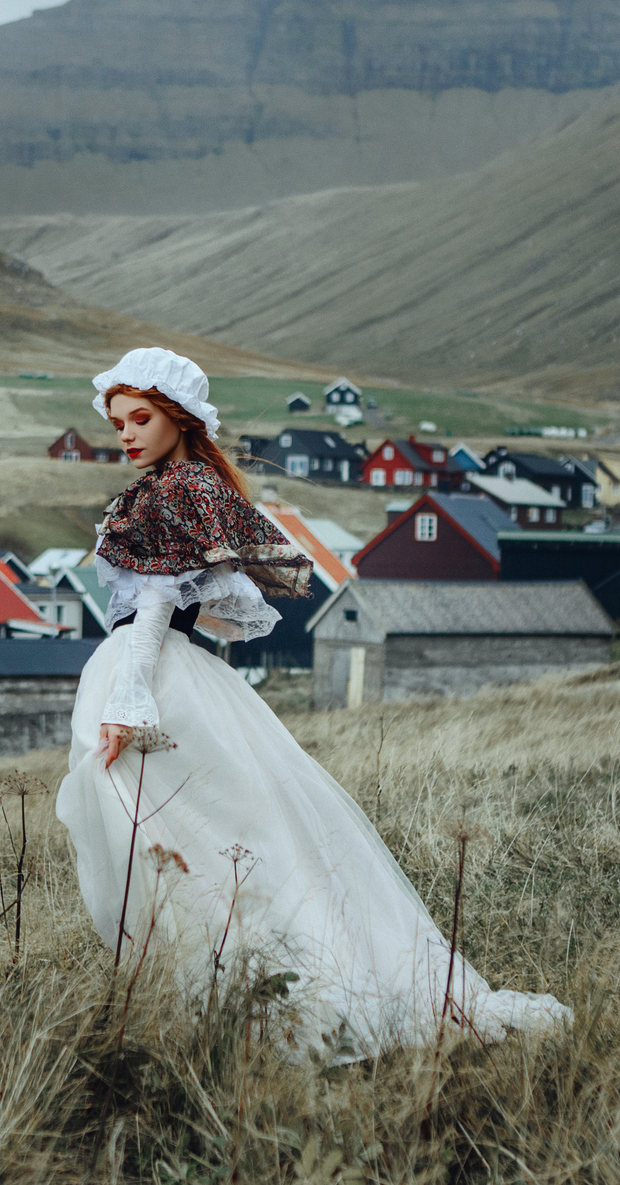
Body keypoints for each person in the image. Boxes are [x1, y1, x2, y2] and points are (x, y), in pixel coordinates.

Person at [55, 347, 570, 1062]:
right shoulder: (188, 487)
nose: (127, 434)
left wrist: (129, 699)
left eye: (141, 417)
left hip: (152, 678)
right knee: (216, 835)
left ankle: (248, 999)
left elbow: (154, 605)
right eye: (118, 423)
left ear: (177, 415)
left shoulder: (174, 492)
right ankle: (226, 991)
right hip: (178, 676)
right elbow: (202, 603)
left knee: (173, 838)